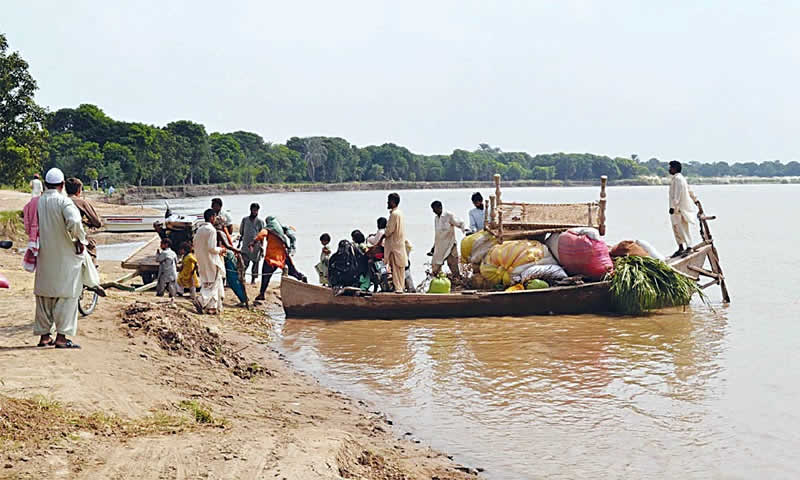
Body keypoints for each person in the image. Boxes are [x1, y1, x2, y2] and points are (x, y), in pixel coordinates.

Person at [33, 168, 86, 349]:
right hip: (64, 255)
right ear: (62, 185)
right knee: (67, 295)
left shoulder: (37, 202)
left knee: (44, 295)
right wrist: (80, 239)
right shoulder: (64, 202)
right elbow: (75, 222)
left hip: (44, 255)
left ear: (45, 185)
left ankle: (44, 336)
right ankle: (62, 338)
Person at [252, 216, 307, 302]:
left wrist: (253, 242)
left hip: (271, 258)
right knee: (292, 271)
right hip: (283, 256)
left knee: (265, 275)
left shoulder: (268, 229)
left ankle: (262, 294)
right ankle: (302, 277)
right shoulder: (281, 230)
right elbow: (291, 231)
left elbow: (262, 234)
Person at [193, 209, 226, 314]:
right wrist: (221, 250)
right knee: (213, 283)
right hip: (211, 260)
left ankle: (212, 307)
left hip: (201, 259)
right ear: (212, 217)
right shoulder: (211, 230)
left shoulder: (199, 229)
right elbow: (211, 248)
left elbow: (195, 244)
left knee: (207, 282)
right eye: (215, 217)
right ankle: (201, 301)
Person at [65, 178, 102, 262]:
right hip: (77, 236)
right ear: (78, 190)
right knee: (91, 246)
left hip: (61, 236)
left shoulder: (61, 201)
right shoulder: (81, 202)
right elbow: (97, 223)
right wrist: (88, 222)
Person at [668, 160, 699, 258]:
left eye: (671, 167)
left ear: (675, 168)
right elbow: (689, 190)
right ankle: (681, 247)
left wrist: (673, 207)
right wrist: (696, 200)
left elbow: (677, 194)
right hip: (676, 209)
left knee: (682, 229)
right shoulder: (678, 178)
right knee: (676, 228)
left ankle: (689, 247)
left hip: (679, 209)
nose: (669, 169)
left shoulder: (678, 179)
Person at [429, 200, 465, 278]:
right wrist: (434, 247)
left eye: (435, 209)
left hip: (450, 246)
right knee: (435, 269)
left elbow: (460, 223)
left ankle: (458, 283)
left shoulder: (448, 215)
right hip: (440, 248)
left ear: (440, 207)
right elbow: (438, 235)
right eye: (433, 209)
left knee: (453, 267)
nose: (434, 211)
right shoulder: (436, 219)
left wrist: (466, 231)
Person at [382, 193, 408, 293]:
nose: (387, 203)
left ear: (393, 202)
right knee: (400, 270)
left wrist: (382, 235)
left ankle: (398, 289)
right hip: (399, 245)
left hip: (394, 246)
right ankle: (401, 288)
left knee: (396, 270)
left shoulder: (394, 214)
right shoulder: (399, 213)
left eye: (389, 201)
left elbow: (389, 231)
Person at [239, 203, 265, 284]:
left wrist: (262, 247)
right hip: (246, 244)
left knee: (255, 263)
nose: (255, 212)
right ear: (250, 210)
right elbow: (241, 232)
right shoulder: (245, 220)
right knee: (244, 263)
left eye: (256, 210)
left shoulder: (260, 222)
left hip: (256, 246)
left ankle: (253, 279)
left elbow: (262, 234)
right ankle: (242, 278)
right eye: (254, 210)